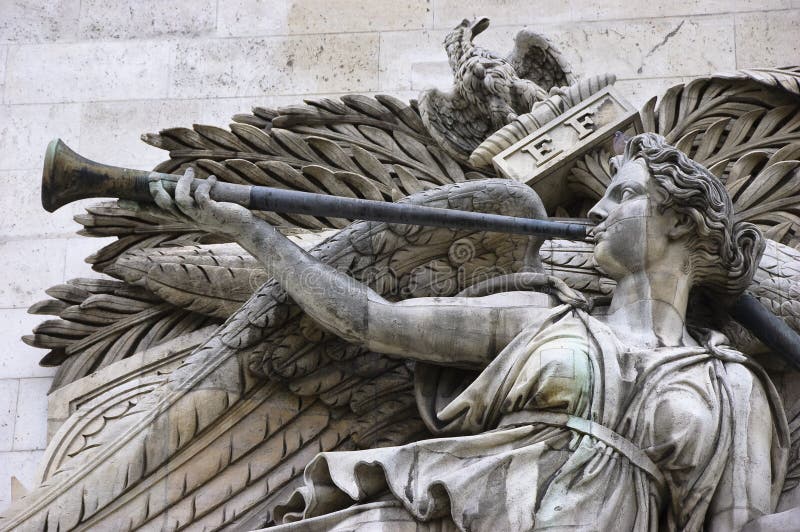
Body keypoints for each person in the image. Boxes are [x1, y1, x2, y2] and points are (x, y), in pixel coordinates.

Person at [152, 133, 789, 531]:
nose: (595, 210)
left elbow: (745, 527)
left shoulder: (732, 387)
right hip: (457, 509)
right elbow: (375, 319)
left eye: (621, 195)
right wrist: (249, 231)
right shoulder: (540, 315)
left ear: (679, 222)